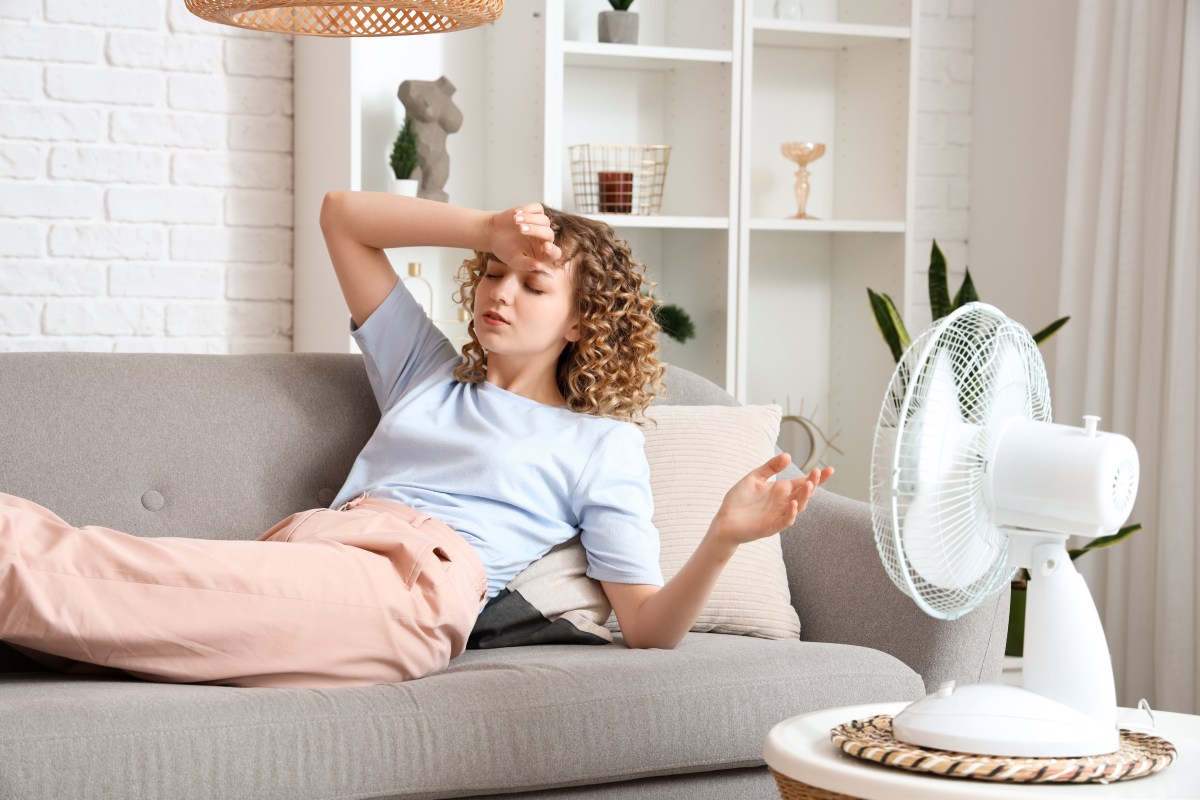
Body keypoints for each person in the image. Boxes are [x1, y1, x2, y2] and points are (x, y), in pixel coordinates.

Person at [0, 192, 833, 689]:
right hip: (319, 550)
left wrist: (724, 537)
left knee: (123, 577)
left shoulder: (600, 447)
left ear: (582, 321)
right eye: (494, 273)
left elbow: (648, 629)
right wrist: (485, 226)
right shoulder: (425, 372)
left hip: (410, 590)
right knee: (133, 604)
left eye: (532, 283)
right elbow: (341, 217)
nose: (500, 292)